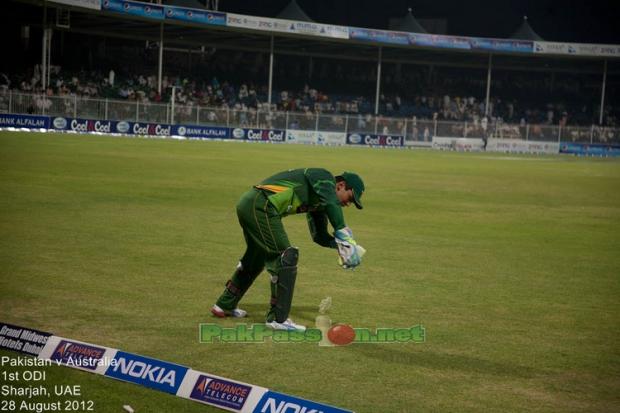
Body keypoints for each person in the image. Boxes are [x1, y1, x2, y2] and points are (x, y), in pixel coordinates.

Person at [211, 168, 366, 332]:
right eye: (350, 198)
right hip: (261, 205)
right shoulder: (324, 177)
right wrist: (345, 236)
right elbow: (331, 202)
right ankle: (278, 318)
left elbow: (319, 236)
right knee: (286, 256)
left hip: (253, 205)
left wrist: (340, 247)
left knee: (256, 258)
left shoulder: (320, 202)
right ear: (340, 185)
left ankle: (224, 304)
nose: (348, 204)